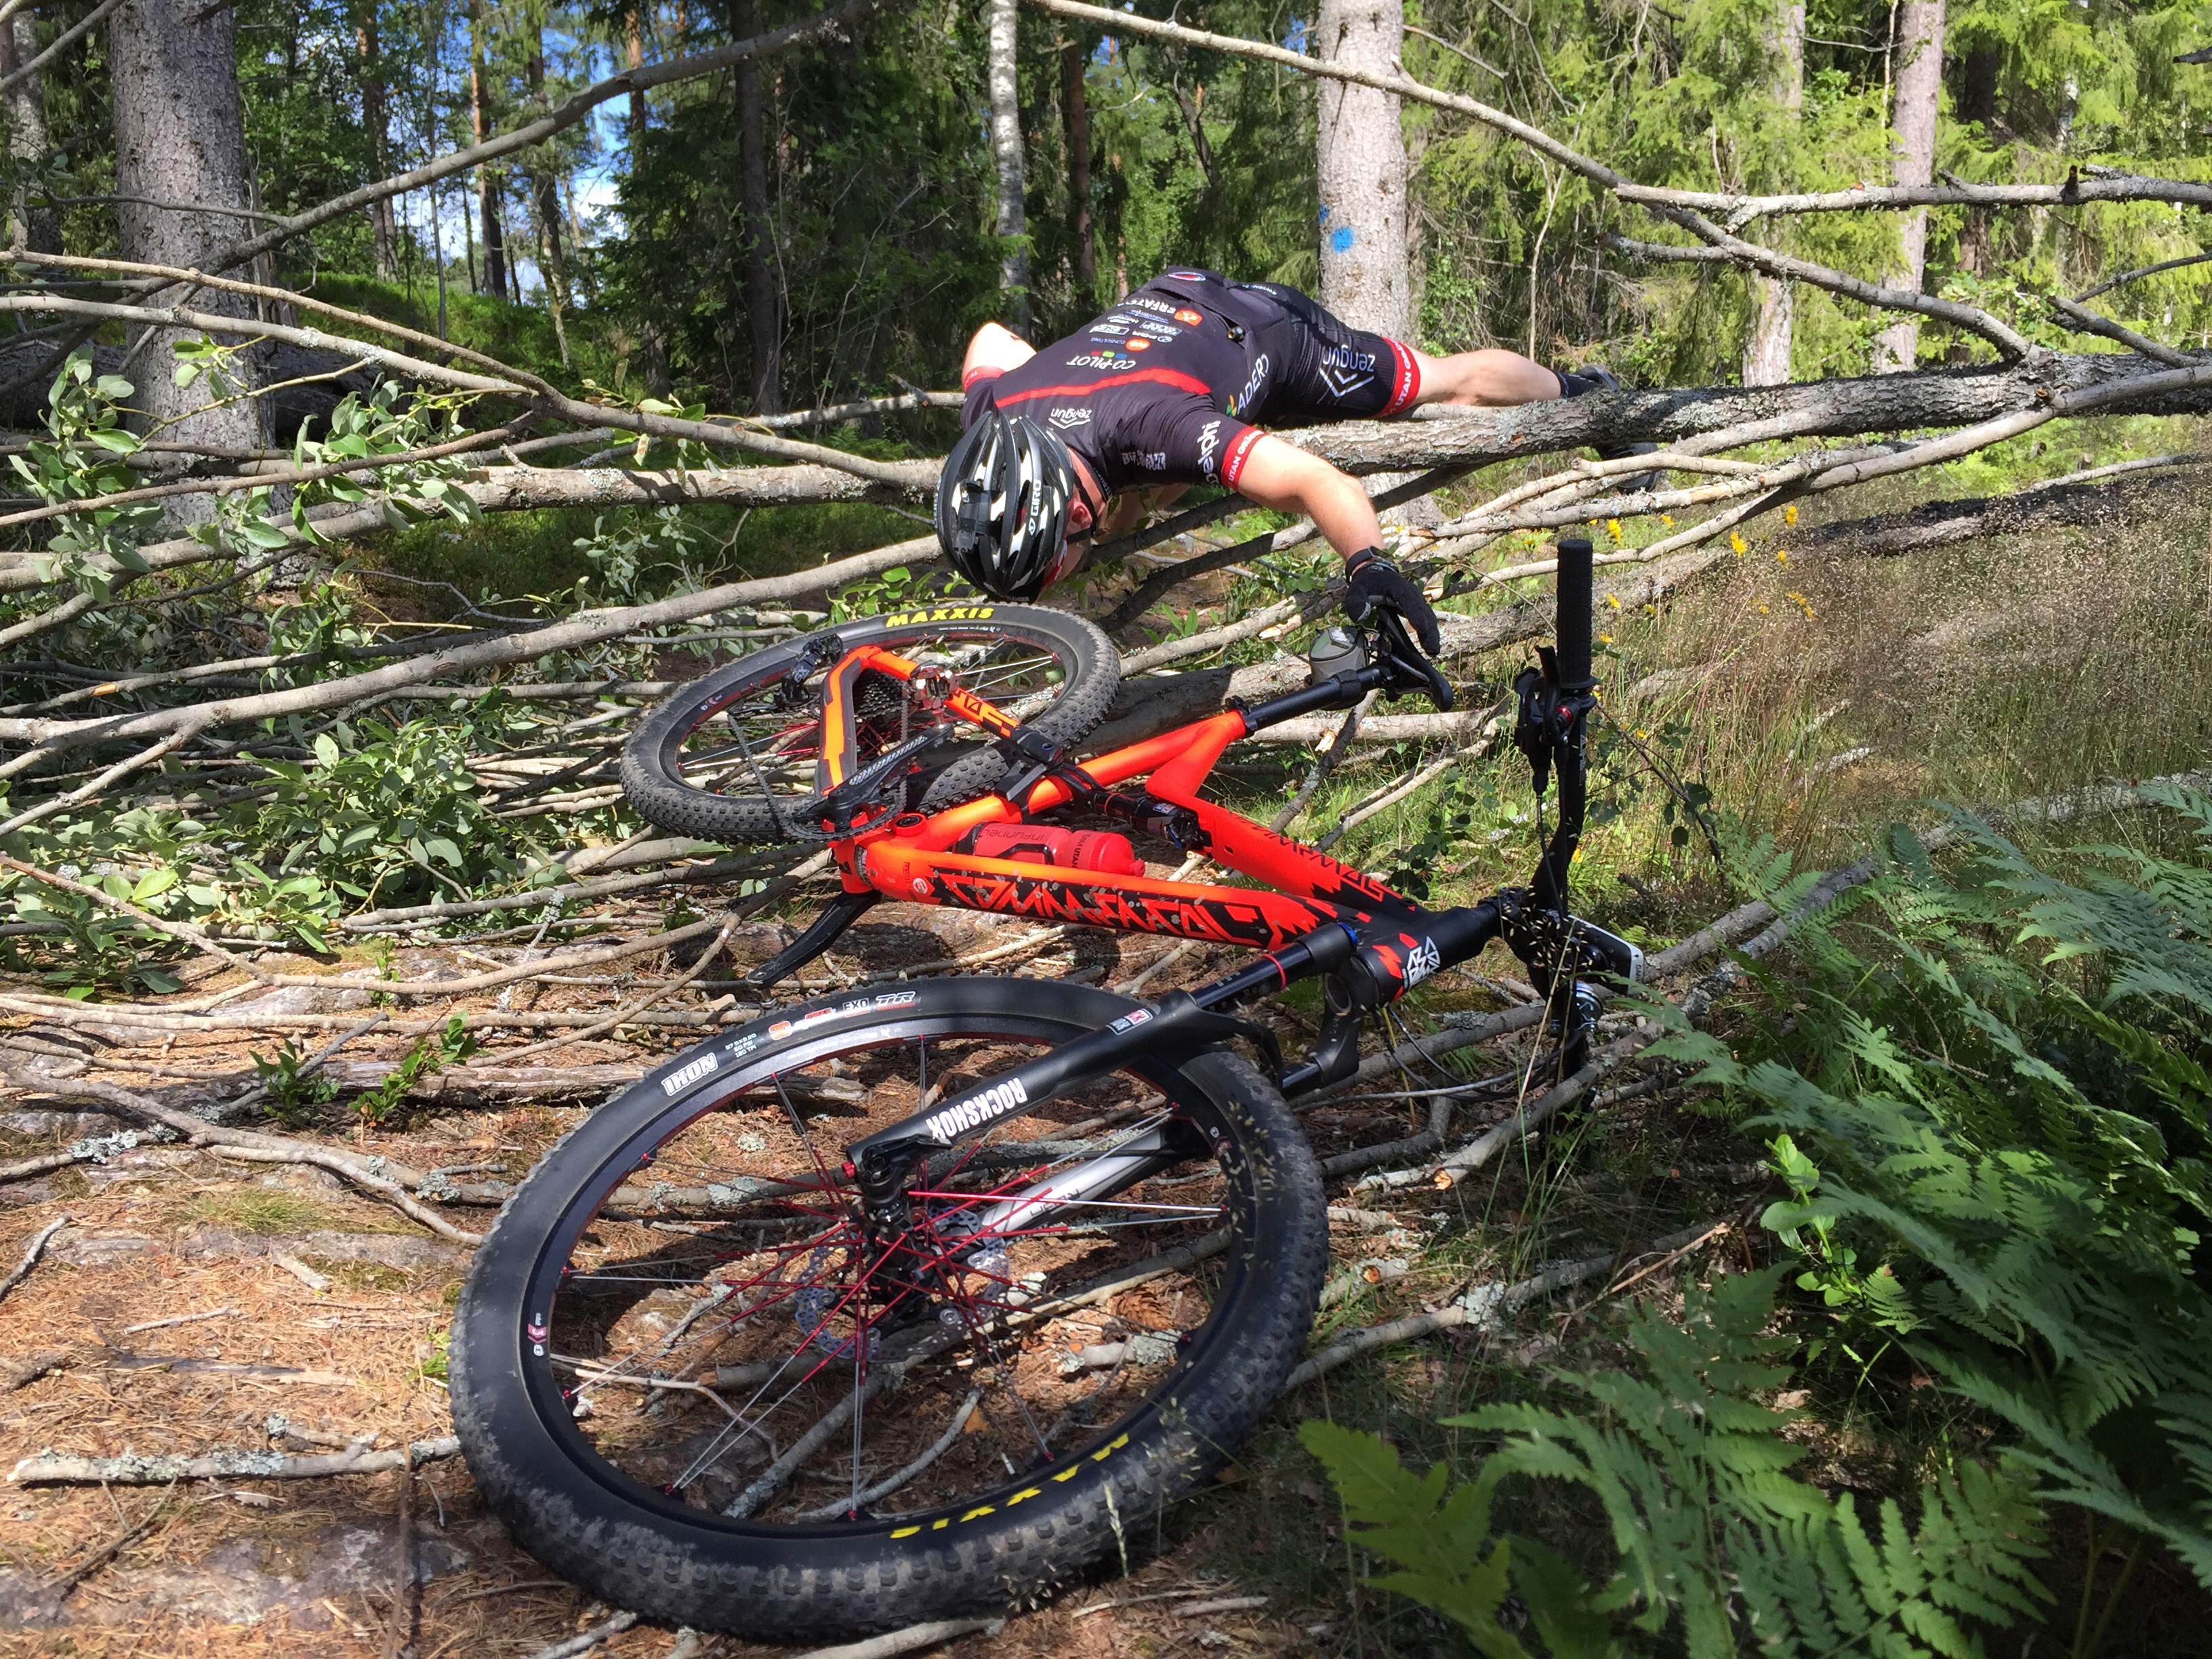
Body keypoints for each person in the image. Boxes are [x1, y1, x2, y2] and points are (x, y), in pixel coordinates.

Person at [936, 266, 1648, 655]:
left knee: (1439, 383)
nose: (1057, 583)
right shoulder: (992, 416)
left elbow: (1315, 480)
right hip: (1164, 312)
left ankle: (1587, 396)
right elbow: (994, 339)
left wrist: (1369, 565)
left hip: (1268, 331)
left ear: (1075, 510)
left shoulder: (1159, 427)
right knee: (1142, 489)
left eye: (1053, 571)